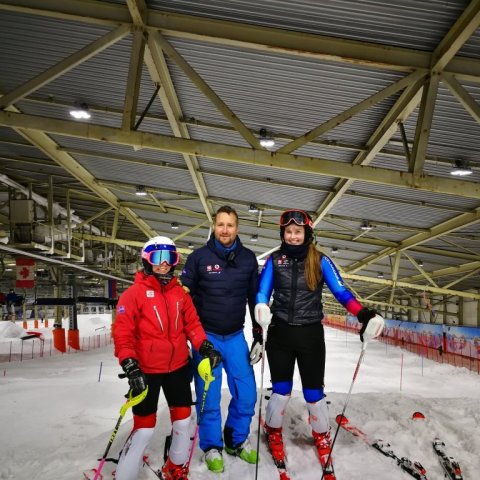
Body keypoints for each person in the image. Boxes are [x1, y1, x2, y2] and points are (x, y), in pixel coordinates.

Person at [253, 209, 379, 475]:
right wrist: (261, 305)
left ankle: (321, 434)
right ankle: (272, 429)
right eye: (288, 232)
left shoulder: (320, 260)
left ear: (307, 233)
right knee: (281, 391)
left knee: (313, 394)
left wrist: (363, 314)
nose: (293, 236)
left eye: (298, 231)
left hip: (310, 335)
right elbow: (263, 290)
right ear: (283, 234)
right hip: (280, 334)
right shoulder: (275, 261)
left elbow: (342, 292)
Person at [113, 236, 222, 480]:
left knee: (183, 423)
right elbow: (123, 333)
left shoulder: (180, 295)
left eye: (169, 258)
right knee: (144, 428)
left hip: (177, 368)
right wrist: (129, 363)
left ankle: (175, 467)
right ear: (146, 260)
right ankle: (124, 473)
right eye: (157, 258)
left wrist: (204, 346)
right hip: (147, 371)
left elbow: (192, 324)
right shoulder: (133, 294)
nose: (163, 264)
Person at [180, 205, 259, 473]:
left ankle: (235, 440)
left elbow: (254, 299)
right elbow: (184, 298)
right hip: (206, 338)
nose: (225, 230)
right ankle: (211, 445)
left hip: (236, 337)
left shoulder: (248, 259)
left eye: (230, 225)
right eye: (221, 224)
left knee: (247, 393)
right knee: (208, 397)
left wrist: (259, 335)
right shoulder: (199, 258)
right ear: (214, 226)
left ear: (238, 228)